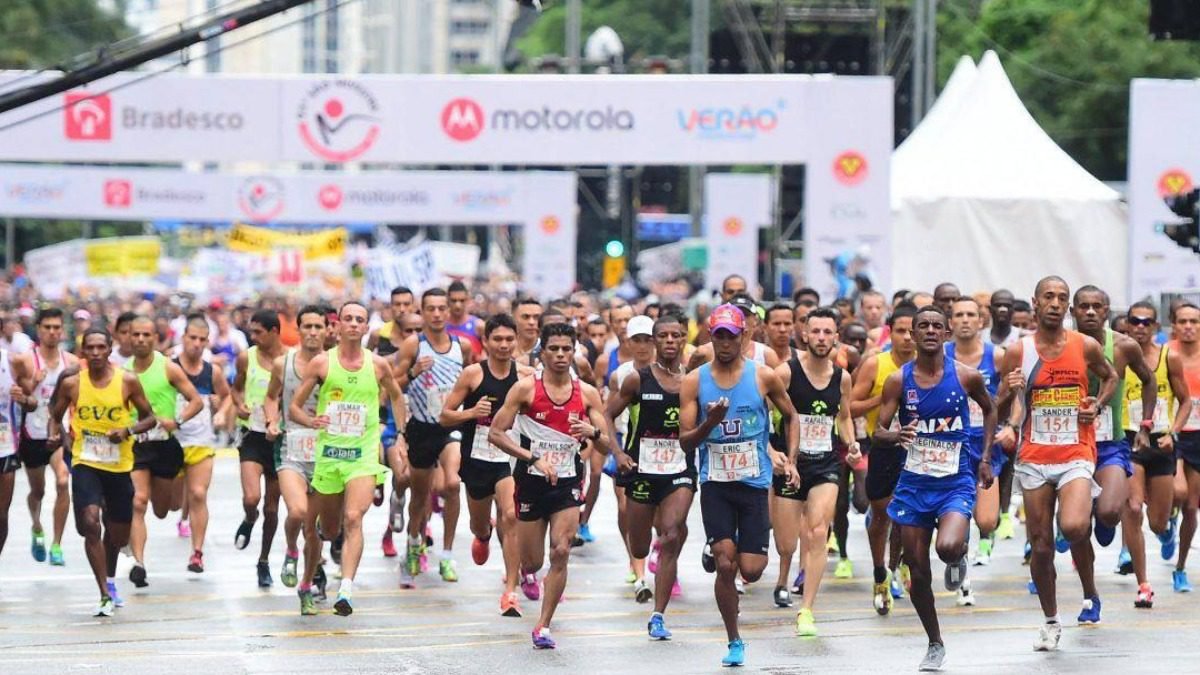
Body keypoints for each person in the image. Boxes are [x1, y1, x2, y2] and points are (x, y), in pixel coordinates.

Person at [995, 276, 1116, 652]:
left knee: (1075, 524)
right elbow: (1002, 403)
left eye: (1062, 298)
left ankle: (1090, 588)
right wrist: (1010, 392)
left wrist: (1096, 404)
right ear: (1035, 302)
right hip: (1034, 457)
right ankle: (1050, 620)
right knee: (1042, 545)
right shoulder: (1019, 351)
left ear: (1067, 307)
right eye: (1049, 296)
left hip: (1076, 451)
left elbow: (1109, 377)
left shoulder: (1085, 345)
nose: (1056, 303)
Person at [874, 305, 996, 671]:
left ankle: (958, 553)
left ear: (946, 334)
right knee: (918, 570)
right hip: (913, 484)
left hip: (954, 481)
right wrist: (895, 434)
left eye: (936, 326)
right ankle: (934, 642)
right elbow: (878, 431)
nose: (929, 331)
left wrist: (986, 457)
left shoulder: (967, 377)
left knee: (945, 547)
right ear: (912, 333)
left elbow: (990, 411)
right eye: (922, 326)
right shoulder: (899, 380)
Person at [679, 304, 800, 667]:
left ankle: (738, 582)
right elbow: (686, 442)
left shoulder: (763, 376)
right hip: (715, 483)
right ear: (709, 337)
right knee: (725, 562)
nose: (726, 343)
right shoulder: (694, 381)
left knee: (751, 569)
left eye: (733, 336)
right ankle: (734, 638)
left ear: (744, 336)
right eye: (719, 336)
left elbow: (791, 416)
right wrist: (709, 422)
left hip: (753, 483)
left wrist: (790, 459)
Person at [488, 321, 610, 650]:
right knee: (533, 562)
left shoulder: (586, 393)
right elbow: (495, 433)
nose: (560, 355)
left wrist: (593, 433)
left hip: (568, 482)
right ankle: (529, 574)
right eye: (553, 349)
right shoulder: (525, 389)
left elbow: (606, 446)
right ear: (542, 352)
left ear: (574, 352)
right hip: (530, 481)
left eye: (566, 349)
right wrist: (531, 458)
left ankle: (543, 625)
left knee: (561, 550)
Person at [288, 301, 408, 616]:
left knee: (354, 517)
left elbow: (396, 396)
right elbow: (295, 408)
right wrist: (310, 421)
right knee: (328, 530)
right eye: (348, 319)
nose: (354, 324)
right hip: (329, 457)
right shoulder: (321, 364)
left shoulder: (378, 365)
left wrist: (401, 435)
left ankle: (346, 590)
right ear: (337, 325)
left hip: (363, 456)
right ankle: (310, 574)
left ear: (366, 326)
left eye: (360, 320)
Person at [47, 329, 156, 616]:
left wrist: (127, 430)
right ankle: (104, 593)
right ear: (83, 352)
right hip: (86, 463)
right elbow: (55, 414)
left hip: (119, 466)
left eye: (100, 348)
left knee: (118, 535)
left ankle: (109, 576)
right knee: (90, 522)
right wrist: (57, 436)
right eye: (90, 348)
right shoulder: (72, 384)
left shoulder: (127, 381)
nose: (95, 353)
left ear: (110, 350)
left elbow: (150, 418)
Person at [604, 313, 693, 638]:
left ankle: (658, 614)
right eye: (664, 336)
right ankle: (646, 555)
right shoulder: (637, 380)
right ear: (655, 341)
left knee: (670, 534)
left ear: (685, 339)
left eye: (676, 335)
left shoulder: (695, 380)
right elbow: (607, 416)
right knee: (640, 547)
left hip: (680, 470)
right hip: (641, 469)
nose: (670, 341)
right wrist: (618, 453)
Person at [1066, 286, 1152, 621]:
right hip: (1068, 445)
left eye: (1096, 307)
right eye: (1083, 306)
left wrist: (1144, 425)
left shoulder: (1125, 346)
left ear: (1106, 311)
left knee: (1112, 512)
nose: (1089, 312)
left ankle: (1103, 520)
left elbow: (1146, 381)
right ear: (1074, 311)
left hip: (1109, 443)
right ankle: (1090, 596)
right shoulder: (1060, 345)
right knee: (1076, 528)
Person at [774, 307, 861, 636]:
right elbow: (766, 417)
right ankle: (786, 570)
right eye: (816, 332)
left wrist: (850, 443)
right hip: (790, 464)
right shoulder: (785, 373)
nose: (822, 338)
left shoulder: (843, 377)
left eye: (828, 332)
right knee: (785, 543)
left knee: (817, 532)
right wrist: (773, 452)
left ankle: (807, 609)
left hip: (825, 463)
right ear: (805, 335)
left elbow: (843, 416)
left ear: (836, 337)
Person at [439, 313, 531, 617]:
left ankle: (510, 592)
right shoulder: (472, 375)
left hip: (510, 458)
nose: (504, 345)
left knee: (510, 515)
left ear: (516, 341)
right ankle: (483, 534)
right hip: (477, 458)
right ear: (487, 342)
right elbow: (445, 416)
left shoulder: (527, 377)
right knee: (480, 523)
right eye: (497, 339)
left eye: (509, 339)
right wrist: (471, 413)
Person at [395, 288, 475, 585]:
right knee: (419, 497)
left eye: (442, 308)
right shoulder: (413, 345)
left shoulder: (462, 346)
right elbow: (393, 385)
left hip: (450, 425)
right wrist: (414, 372)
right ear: (423, 311)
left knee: (452, 484)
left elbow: (472, 378)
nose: (439, 314)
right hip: (421, 428)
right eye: (432, 309)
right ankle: (413, 544)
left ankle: (447, 555)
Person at [1119, 300, 1192, 608]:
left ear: (1156, 327)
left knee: (1157, 522)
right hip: (1129, 440)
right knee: (1133, 508)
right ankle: (1144, 584)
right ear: (1126, 325)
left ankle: (1167, 530)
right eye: (1135, 321)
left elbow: (1186, 401)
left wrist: (1173, 432)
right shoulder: (1118, 357)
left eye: (1147, 322)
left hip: (1161, 442)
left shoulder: (1168, 357)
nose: (1140, 327)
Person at [124, 316, 203, 589]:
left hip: (165, 446)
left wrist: (177, 421)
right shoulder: (121, 371)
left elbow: (197, 401)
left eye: (147, 335)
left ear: (155, 338)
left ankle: (173, 506)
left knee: (162, 509)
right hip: (135, 445)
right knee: (138, 501)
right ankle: (139, 563)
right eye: (136, 334)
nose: (141, 339)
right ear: (128, 338)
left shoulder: (168, 368)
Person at [850, 302, 918, 614]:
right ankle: (880, 572)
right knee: (882, 516)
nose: (907, 337)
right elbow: (849, 407)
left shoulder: (932, 364)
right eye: (900, 331)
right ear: (891, 333)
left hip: (920, 450)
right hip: (884, 446)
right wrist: (887, 396)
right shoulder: (875, 365)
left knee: (912, 519)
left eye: (911, 331)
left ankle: (900, 564)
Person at [264, 306, 327, 613]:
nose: (313, 332)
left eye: (319, 326)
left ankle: (306, 585)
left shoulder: (337, 366)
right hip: (291, 447)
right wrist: (271, 421)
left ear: (328, 330)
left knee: (317, 530)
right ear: (298, 330)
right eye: (308, 326)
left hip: (327, 453)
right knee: (298, 512)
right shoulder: (282, 363)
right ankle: (290, 549)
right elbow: (271, 396)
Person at [943, 297, 1006, 589]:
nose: (966, 319)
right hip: (950, 445)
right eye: (959, 315)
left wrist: (1013, 426)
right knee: (959, 513)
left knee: (987, 520)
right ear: (950, 322)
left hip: (986, 446)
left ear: (981, 321)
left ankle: (974, 545)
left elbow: (1015, 396)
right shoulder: (940, 355)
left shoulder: (997, 356)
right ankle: (959, 561)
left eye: (971, 314)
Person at [231, 310, 288, 587]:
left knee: (272, 508)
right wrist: (239, 404)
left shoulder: (291, 360)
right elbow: (236, 388)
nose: (252, 337)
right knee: (252, 498)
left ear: (274, 331)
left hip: (279, 439)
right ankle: (248, 518)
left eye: (258, 332)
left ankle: (263, 561)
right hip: (252, 436)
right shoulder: (246, 357)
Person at [19, 308, 78, 566]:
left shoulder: (72, 363)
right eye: (47, 327)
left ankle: (57, 544)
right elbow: (18, 399)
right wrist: (33, 383)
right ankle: (36, 526)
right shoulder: (26, 361)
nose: (52, 332)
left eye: (57, 327)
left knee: (64, 481)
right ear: (39, 330)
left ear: (62, 330)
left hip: (59, 434)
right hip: (32, 434)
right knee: (38, 492)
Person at [173, 315, 231, 574]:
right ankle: (178, 515)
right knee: (169, 504)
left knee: (198, 494)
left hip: (201, 441)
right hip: (171, 443)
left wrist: (220, 412)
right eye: (192, 338)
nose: (196, 344)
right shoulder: (169, 368)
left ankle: (197, 553)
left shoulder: (212, 371)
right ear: (183, 339)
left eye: (201, 340)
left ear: (207, 342)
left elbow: (227, 396)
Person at [1172, 302, 1200, 592]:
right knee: (1177, 493)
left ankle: (1179, 568)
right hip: (1172, 432)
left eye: (1194, 321)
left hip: (1198, 436)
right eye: (1183, 321)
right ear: (1174, 325)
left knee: (1192, 507)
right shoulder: (1168, 354)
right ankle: (1166, 519)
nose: (1189, 326)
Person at [446, 280, 485, 355]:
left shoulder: (479, 325)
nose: (458, 305)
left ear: (468, 299)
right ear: (447, 300)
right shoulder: (441, 324)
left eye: (462, 300)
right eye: (454, 300)